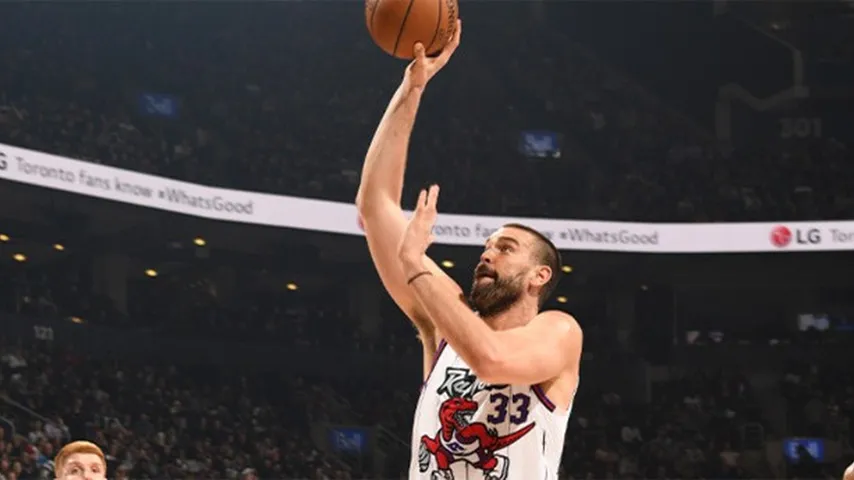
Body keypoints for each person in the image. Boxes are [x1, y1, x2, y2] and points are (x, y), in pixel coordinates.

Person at [356, 20, 583, 480]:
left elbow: (493, 361)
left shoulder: (558, 332)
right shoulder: (446, 324)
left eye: (505, 247)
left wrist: (417, 264)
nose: (487, 253)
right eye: (486, 245)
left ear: (539, 276)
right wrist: (410, 90)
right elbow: (375, 203)